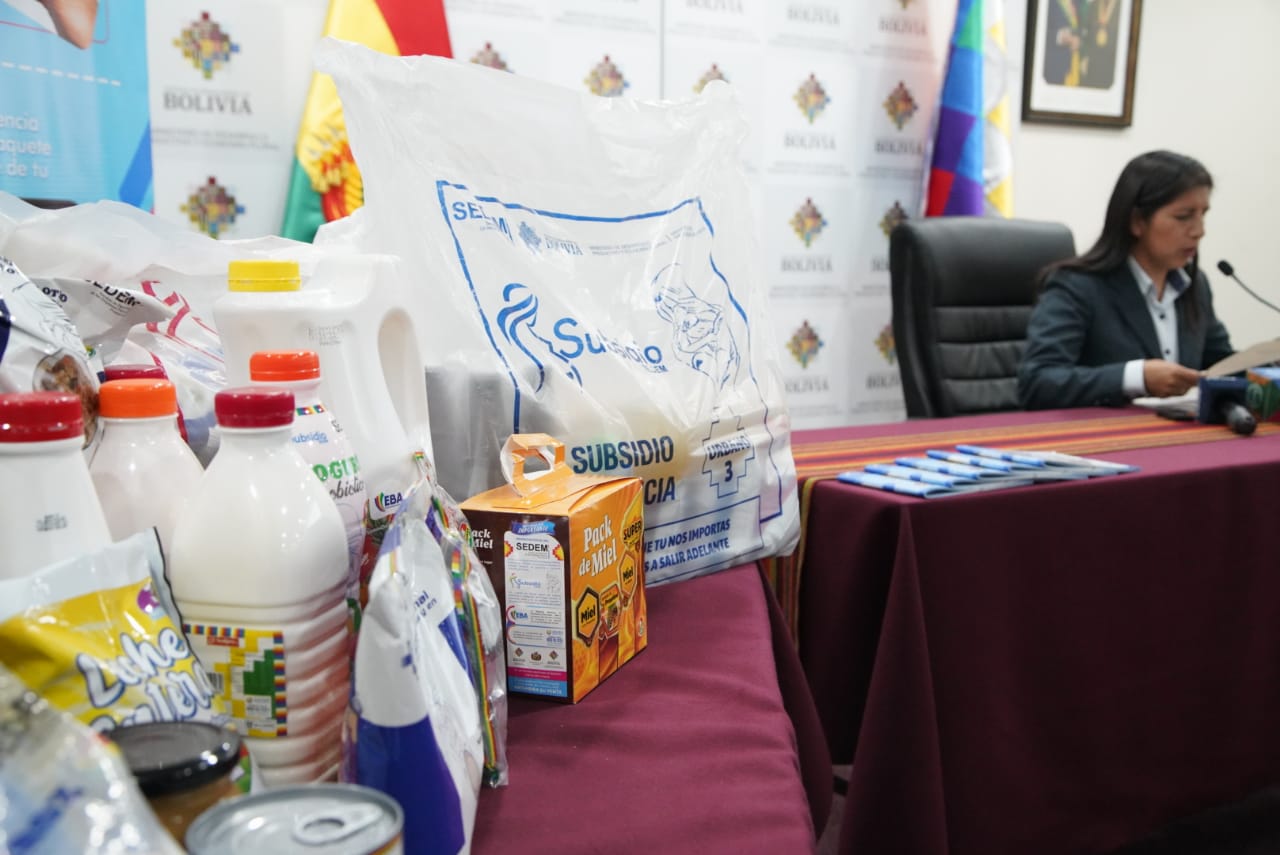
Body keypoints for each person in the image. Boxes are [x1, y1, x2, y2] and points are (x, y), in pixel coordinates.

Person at [1017, 150, 1235, 410]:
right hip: (1103, 431)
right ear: (1137, 221)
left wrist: (1266, 366)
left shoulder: (1194, 285)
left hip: (1181, 430)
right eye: (1183, 217)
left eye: (1203, 214)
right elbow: (1038, 383)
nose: (1199, 231)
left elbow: (1220, 363)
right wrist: (1136, 377)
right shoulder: (1077, 286)